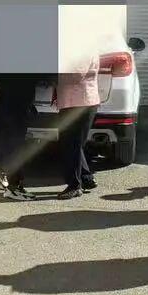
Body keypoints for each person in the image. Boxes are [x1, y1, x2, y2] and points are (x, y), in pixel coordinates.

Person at [53, 56, 101, 198]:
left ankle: (74, 186)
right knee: (75, 143)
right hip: (77, 101)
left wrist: (51, 73)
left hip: (78, 103)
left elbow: (75, 75)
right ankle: (86, 178)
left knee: (71, 144)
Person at [0, 71, 41, 199]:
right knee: (15, 142)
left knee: (9, 141)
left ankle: (5, 177)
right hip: (12, 96)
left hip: (7, 95)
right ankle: (14, 188)